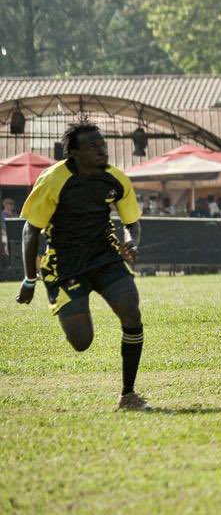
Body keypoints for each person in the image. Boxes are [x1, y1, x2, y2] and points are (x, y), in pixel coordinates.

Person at [15, 118, 150, 410]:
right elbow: (30, 230)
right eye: (93, 146)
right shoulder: (53, 179)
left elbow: (131, 223)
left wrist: (131, 241)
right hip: (65, 265)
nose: (102, 150)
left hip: (104, 257)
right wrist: (29, 279)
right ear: (74, 153)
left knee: (131, 310)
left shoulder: (115, 178)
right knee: (81, 341)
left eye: (103, 144)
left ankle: (128, 395)